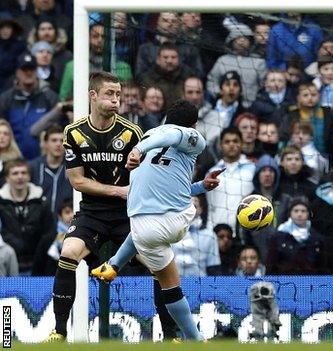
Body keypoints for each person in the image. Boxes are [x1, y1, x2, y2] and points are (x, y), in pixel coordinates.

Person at [45, 72, 163, 342]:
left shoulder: (132, 132)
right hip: (93, 213)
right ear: (93, 95)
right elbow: (77, 181)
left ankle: (171, 336)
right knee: (69, 250)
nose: (116, 100)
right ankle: (59, 331)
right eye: (110, 94)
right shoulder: (73, 133)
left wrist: (135, 174)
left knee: (158, 264)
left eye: (118, 95)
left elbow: (146, 177)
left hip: (127, 215)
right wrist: (117, 190)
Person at [91, 99, 222, 341]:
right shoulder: (192, 137)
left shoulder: (148, 137)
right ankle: (196, 341)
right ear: (193, 125)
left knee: (166, 281)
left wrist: (202, 186)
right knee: (171, 286)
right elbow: (174, 136)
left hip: (143, 226)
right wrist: (137, 151)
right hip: (176, 218)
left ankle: (114, 265)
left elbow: (174, 185)